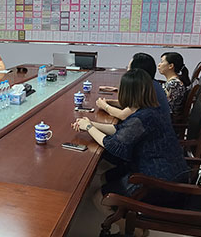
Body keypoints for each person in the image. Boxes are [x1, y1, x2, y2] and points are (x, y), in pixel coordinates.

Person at [72, 69, 188, 213]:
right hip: (170, 172)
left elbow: (113, 145)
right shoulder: (150, 110)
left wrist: (89, 127)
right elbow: (120, 130)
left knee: (99, 199)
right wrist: (91, 124)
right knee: (105, 177)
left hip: (159, 182)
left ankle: (133, 225)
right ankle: (123, 212)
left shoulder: (143, 117)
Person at [96, 53, 171, 121]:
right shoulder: (151, 83)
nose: (127, 71)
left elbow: (123, 115)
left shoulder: (146, 88)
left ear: (136, 72)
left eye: (129, 68)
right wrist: (109, 102)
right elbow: (132, 105)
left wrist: (105, 106)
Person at [158, 52, 191, 117]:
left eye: (162, 62)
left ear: (171, 66)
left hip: (167, 118)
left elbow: (166, 106)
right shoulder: (174, 81)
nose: (159, 65)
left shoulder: (174, 84)